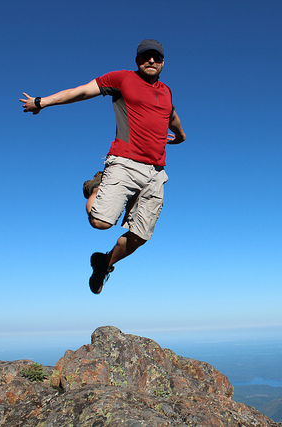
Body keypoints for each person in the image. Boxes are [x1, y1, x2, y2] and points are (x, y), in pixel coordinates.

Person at [20, 39, 186, 294]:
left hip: (156, 172)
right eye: (145, 57)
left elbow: (170, 115)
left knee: (141, 236)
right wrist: (42, 102)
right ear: (137, 60)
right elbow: (83, 91)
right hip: (125, 161)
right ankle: (97, 185)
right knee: (99, 222)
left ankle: (104, 263)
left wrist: (181, 134)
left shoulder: (166, 91)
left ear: (163, 62)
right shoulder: (122, 79)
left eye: (156, 57)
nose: (151, 61)